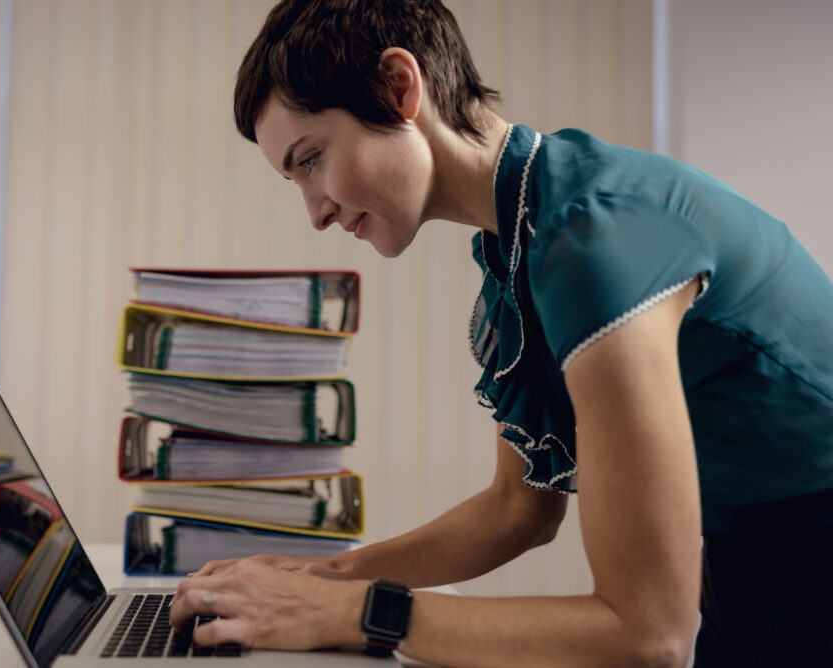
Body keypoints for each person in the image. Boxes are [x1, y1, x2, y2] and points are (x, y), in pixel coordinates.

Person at [169, 1, 833, 665]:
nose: (314, 212)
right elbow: (518, 507)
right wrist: (323, 579)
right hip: (751, 562)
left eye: (310, 158)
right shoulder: (519, 243)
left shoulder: (591, 241)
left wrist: (356, 612)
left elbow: (648, 634)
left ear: (399, 88)